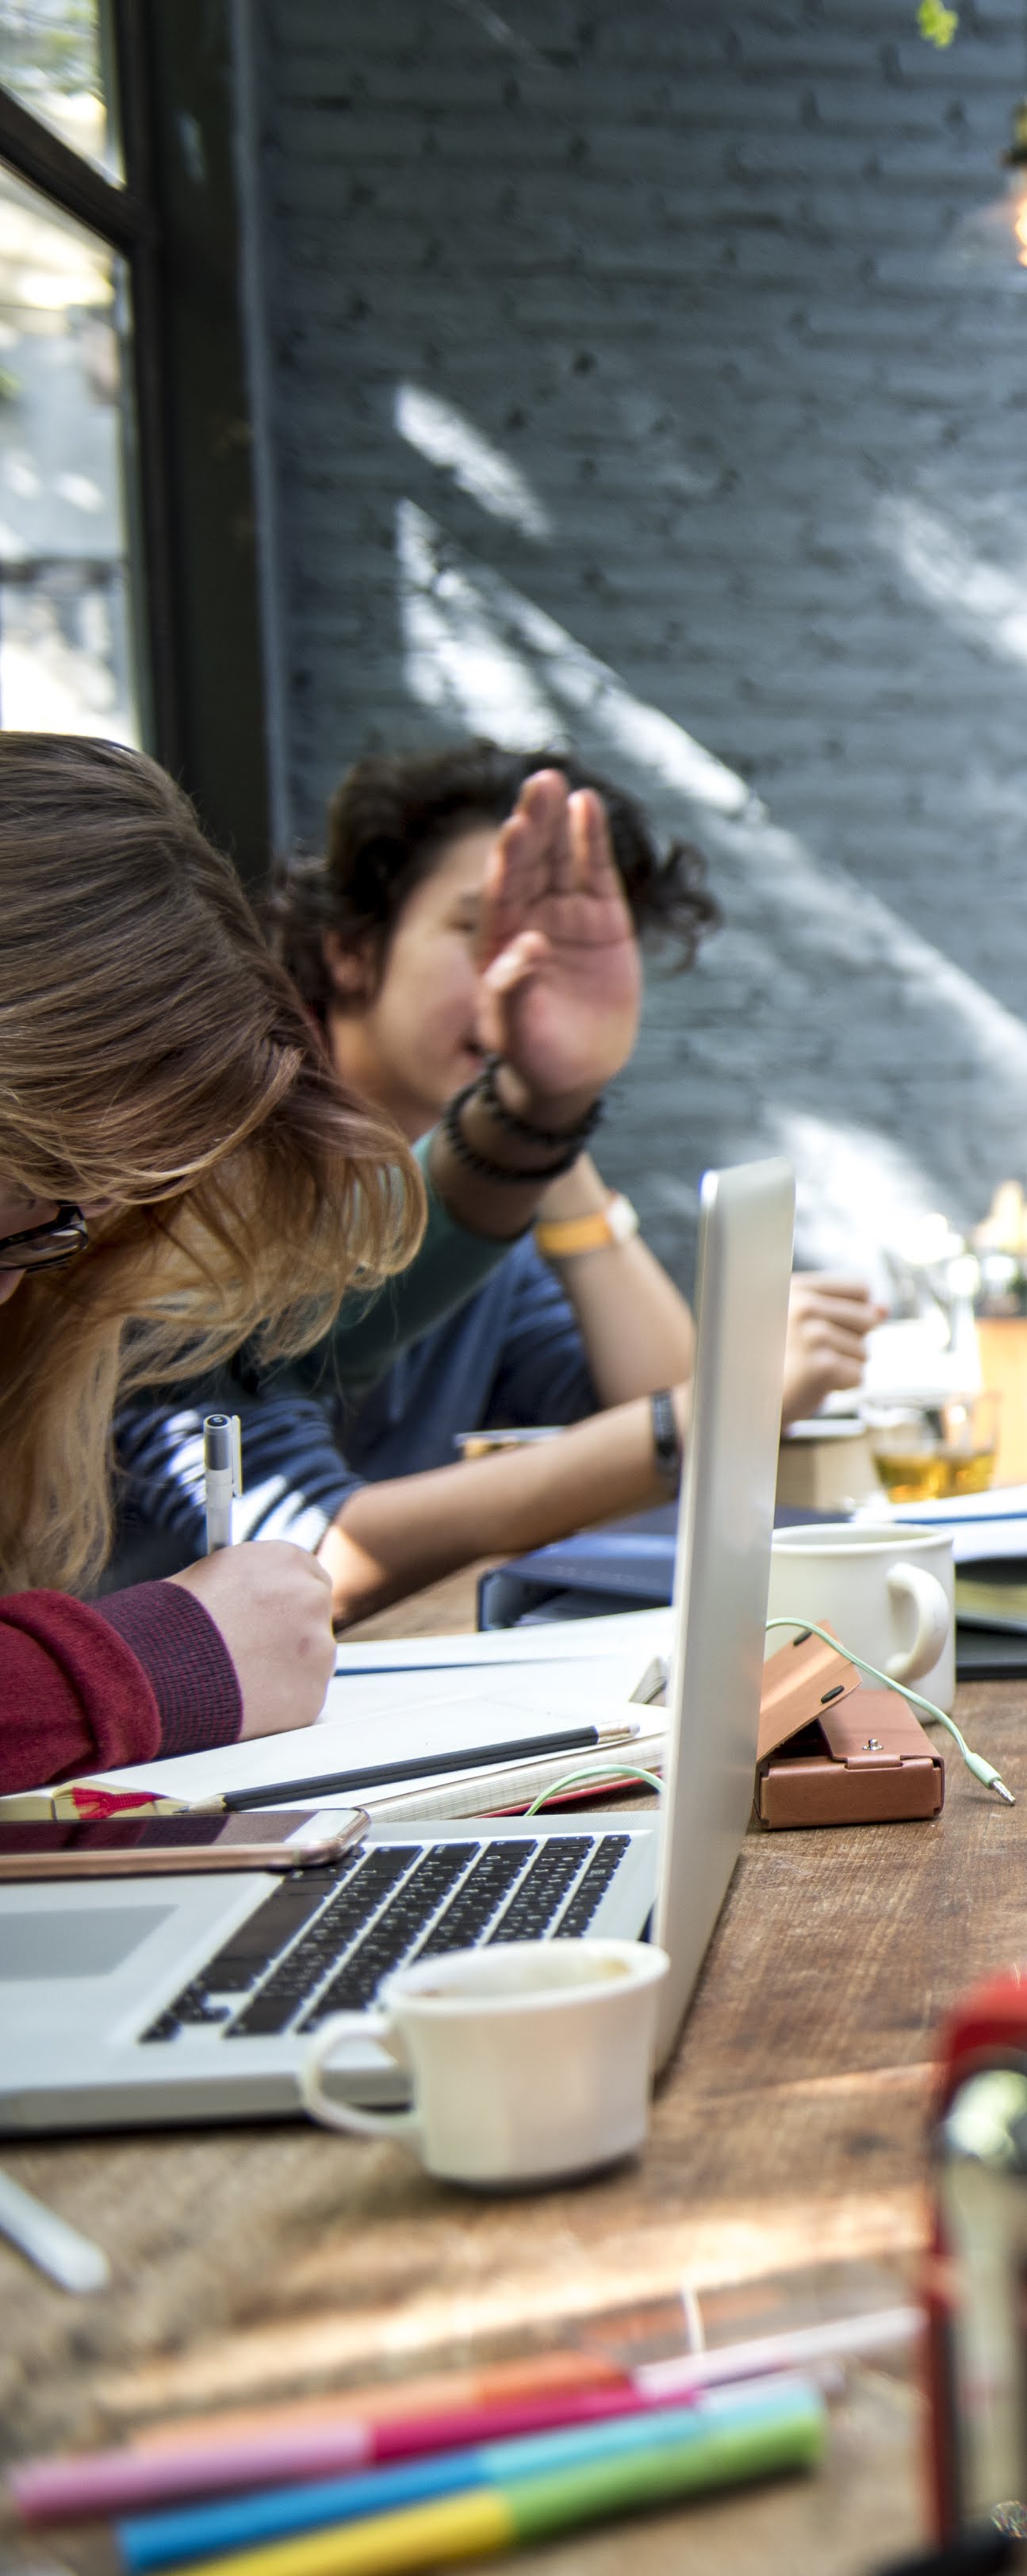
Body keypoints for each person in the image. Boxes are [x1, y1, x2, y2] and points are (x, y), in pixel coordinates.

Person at [102, 747, 875, 1624]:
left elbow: (642, 1416)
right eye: (482, 932)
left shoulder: (482, 1205)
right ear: (352, 951)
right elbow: (308, 1551)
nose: (523, 978)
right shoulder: (199, 1183)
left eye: (566, 946)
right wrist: (715, 1408)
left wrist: (552, 1119)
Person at [0, 735, 631, 1792]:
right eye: (32, 1194)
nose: (22, 1279)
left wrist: (542, 1112)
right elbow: (310, 1497)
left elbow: (301, 1320)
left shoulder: (94, 1261)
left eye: (63, 1227)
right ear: (349, 949)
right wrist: (151, 1664)